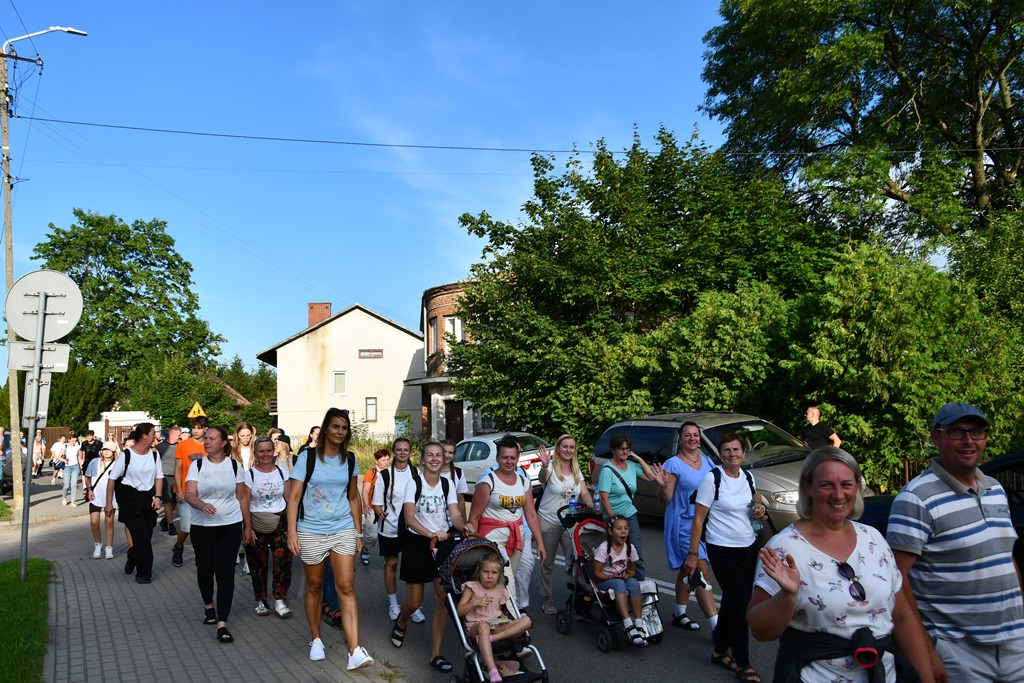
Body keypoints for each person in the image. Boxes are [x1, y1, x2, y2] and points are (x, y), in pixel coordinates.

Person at [748, 446, 935, 683]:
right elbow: (760, 630)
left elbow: (902, 617)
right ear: (807, 487)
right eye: (827, 485)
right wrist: (787, 597)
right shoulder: (785, 547)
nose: (838, 495)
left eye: (846, 484)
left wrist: (926, 676)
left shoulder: (873, 538)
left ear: (857, 486)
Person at [887, 402, 1024, 682]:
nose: (968, 440)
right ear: (935, 437)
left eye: (977, 432)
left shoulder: (995, 489)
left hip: (1015, 644)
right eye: (957, 432)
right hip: (959, 652)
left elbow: (1006, 557)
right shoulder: (915, 498)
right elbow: (895, 579)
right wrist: (927, 652)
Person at [285, 407, 373, 670]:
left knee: (346, 587)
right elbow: (294, 497)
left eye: (344, 428)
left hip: (342, 528)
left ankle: (354, 650)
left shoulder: (350, 459)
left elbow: (353, 497)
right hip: (311, 530)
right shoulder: (308, 458)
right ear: (326, 429)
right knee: (314, 586)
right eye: (336, 427)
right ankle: (316, 639)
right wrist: (292, 531)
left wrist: (358, 532)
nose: (340, 432)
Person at [684, 433, 767, 683]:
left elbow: (754, 504)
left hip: (748, 546)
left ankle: (720, 650)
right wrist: (693, 554)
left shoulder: (748, 477)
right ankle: (743, 661)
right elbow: (698, 520)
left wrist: (759, 509)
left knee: (732, 599)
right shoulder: (713, 479)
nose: (732, 454)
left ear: (743, 453)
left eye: (736, 449)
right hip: (721, 548)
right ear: (720, 455)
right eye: (727, 450)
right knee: (742, 602)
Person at [389, 441, 467, 674]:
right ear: (423, 459)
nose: (434, 459)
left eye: (438, 455)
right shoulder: (414, 484)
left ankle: (436, 654)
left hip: (441, 544)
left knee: (442, 599)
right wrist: (430, 533)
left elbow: (455, 514)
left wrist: (464, 526)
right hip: (417, 543)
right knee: (414, 603)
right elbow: (409, 517)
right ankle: (402, 620)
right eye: (430, 455)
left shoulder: (447, 483)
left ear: (444, 459)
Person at [466, 434, 547, 605]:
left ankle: (495, 612)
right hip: (492, 538)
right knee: (507, 580)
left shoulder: (523, 481)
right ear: (497, 458)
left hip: (516, 536)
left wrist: (540, 542)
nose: (509, 461)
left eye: (512, 457)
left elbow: (531, 514)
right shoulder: (488, 482)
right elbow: (474, 516)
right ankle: (514, 616)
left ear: (518, 458)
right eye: (504, 457)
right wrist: (474, 544)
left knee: (504, 579)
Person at [185, 426, 247, 643]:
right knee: (205, 569)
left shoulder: (234, 465)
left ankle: (223, 622)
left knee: (225, 572)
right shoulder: (197, 465)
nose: (207, 442)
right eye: (206, 438)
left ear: (223, 443)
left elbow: (242, 497)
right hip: (202, 527)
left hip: (230, 525)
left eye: (212, 439)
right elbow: (189, 494)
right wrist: (201, 505)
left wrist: (248, 526)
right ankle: (208, 606)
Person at [659, 422, 719, 631]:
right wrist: (663, 486)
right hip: (683, 524)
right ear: (681, 439)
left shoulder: (708, 462)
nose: (692, 438)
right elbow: (666, 497)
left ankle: (679, 614)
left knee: (687, 567)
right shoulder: (673, 464)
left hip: (704, 524)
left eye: (695, 435)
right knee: (700, 570)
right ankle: (717, 626)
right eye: (687, 435)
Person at [536, 434, 594, 615]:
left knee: (577, 559)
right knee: (548, 562)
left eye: (571, 447)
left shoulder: (576, 470)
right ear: (558, 449)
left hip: (569, 522)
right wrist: (544, 465)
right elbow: (542, 479)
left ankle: (579, 596)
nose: (568, 450)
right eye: (565, 446)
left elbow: (584, 492)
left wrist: (589, 501)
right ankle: (547, 599)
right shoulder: (550, 467)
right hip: (549, 520)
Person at [596, 433, 665, 580]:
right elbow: (604, 498)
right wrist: (613, 520)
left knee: (635, 553)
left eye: (627, 449)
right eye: (621, 449)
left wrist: (638, 458)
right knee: (614, 553)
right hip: (614, 516)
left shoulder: (632, 466)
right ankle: (615, 582)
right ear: (613, 449)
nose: (625, 452)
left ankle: (638, 584)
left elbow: (652, 477)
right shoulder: (607, 470)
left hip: (630, 515)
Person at [371, 437, 425, 622]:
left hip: (412, 528)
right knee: (392, 564)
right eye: (399, 449)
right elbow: (377, 502)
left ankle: (414, 606)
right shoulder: (385, 475)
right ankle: (393, 605)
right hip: (390, 527)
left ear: (410, 452)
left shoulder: (416, 473)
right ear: (394, 452)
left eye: (406, 450)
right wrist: (380, 513)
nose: (402, 453)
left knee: (414, 567)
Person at [457, 553, 533, 683]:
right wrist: (475, 603)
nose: (490, 576)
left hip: (496, 627)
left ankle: (493, 639)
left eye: (494, 573)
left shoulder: (500, 590)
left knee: (527, 621)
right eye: (486, 572)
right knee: (483, 626)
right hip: (477, 627)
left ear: (499, 575)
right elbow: (459, 611)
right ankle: (493, 670)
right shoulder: (472, 587)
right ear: (479, 572)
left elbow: (499, 611)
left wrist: (503, 618)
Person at [105, 423, 163, 584]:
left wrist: (158, 496)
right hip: (129, 500)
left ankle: (132, 557)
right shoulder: (127, 455)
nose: (155, 435)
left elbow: (159, 476)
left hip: (147, 499)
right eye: (153, 433)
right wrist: (109, 504)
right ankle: (144, 574)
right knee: (141, 536)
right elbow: (112, 479)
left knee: (147, 533)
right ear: (144, 435)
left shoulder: (154, 454)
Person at [242, 436, 293, 619]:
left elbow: (289, 499)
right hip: (256, 522)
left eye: (268, 451)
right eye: (261, 451)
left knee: (282, 562)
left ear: (274, 452)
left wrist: (293, 527)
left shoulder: (282, 472)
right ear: (255, 453)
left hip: (280, 521)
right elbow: (244, 502)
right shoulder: (249, 475)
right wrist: (247, 527)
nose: (265, 454)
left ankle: (279, 600)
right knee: (258, 563)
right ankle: (261, 601)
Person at [594, 515, 649, 646]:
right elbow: (597, 573)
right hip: (605, 580)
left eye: (626, 528)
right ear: (610, 531)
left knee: (634, 583)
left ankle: (638, 623)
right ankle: (627, 623)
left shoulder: (630, 548)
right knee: (619, 584)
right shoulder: (604, 548)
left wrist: (627, 574)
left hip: (621, 578)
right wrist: (611, 577)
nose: (623, 531)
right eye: (619, 529)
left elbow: (633, 571)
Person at [172, 417, 208, 569]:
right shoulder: (183, 445)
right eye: (194, 427)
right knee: (186, 527)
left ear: (206, 429)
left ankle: (201, 555)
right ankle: (178, 547)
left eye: (199, 428)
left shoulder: (209, 445)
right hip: (186, 492)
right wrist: (179, 490)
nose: (196, 431)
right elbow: (177, 469)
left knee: (203, 528)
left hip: (204, 493)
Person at [85, 441, 120, 559]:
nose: (106, 452)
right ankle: (98, 544)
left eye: (109, 450)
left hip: (111, 497)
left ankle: (109, 547)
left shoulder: (117, 464)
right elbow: (88, 477)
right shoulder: (95, 462)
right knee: (94, 522)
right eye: (104, 449)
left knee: (109, 522)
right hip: (96, 496)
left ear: (114, 452)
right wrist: (89, 489)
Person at [360, 448, 390, 566]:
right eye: (383, 460)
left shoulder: (391, 473)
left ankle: (388, 558)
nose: (386, 462)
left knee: (388, 535)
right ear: (376, 461)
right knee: (372, 536)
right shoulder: (371, 473)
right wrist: (366, 504)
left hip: (387, 509)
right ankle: (366, 548)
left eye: (388, 460)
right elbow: (365, 491)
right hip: (372, 508)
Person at [157, 426, 181, 534]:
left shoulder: (180, 446)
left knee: (175, 501)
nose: (180, 437)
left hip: (177, 477)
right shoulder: (160, 447)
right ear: (172, 434)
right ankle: (171, 525)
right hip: (165, 477)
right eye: (179, 435)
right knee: (167, 501)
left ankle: (165, 520)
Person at [440, 439, 469, 522]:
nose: (447, 455)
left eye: (450, 453)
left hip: (452, 521)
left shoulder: (458, 472)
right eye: (444, 452)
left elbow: (460, 499)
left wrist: (464, 521)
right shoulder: (432, 472)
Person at [62, 435, 82, 506]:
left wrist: (81, 467)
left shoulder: (77, 447)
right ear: (69, 440)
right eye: (73, 441)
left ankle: (73, 501)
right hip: (67, 467)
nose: (74, 442)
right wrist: (64, 460)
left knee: (74, 485)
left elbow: (79, 457)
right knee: (66, 485)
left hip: (75, 466)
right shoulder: (65, 446)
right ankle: (64, 497)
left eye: (75, 441)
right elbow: (59, 457)